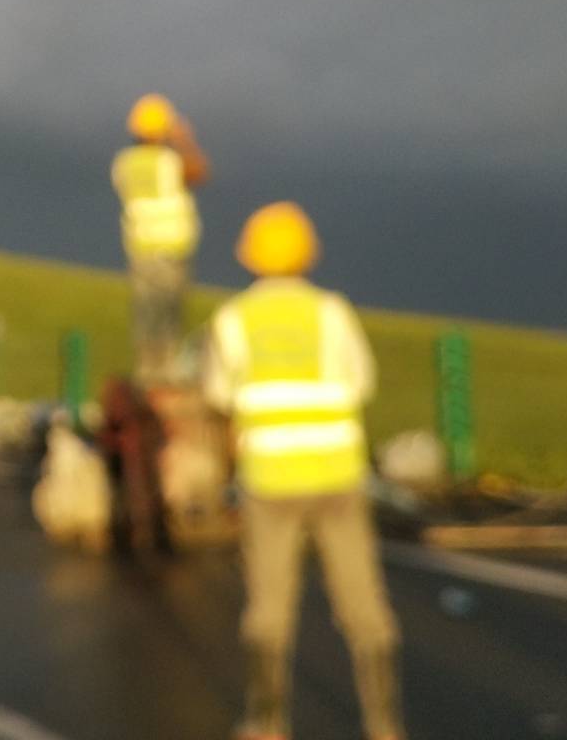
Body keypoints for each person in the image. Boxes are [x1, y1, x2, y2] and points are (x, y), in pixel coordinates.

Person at [203, 202, 404, 740]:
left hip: (271, 485)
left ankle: (266, 724)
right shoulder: (332, 312)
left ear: (251, 258)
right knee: (364, 608)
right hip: (338, 480)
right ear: (306, 256)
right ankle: (384, 725)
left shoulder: (231, 320)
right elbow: (361, 383)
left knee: (269, 612)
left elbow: (220, 396)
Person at [111, 93, 210, 386]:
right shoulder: (169, 160)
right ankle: (164, 380)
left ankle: (146, 376)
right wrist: (182, 139)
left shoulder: (124, 163)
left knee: (146, 317)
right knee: (168, 318)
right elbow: (199, 171)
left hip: (140, 250)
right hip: (170, 249)